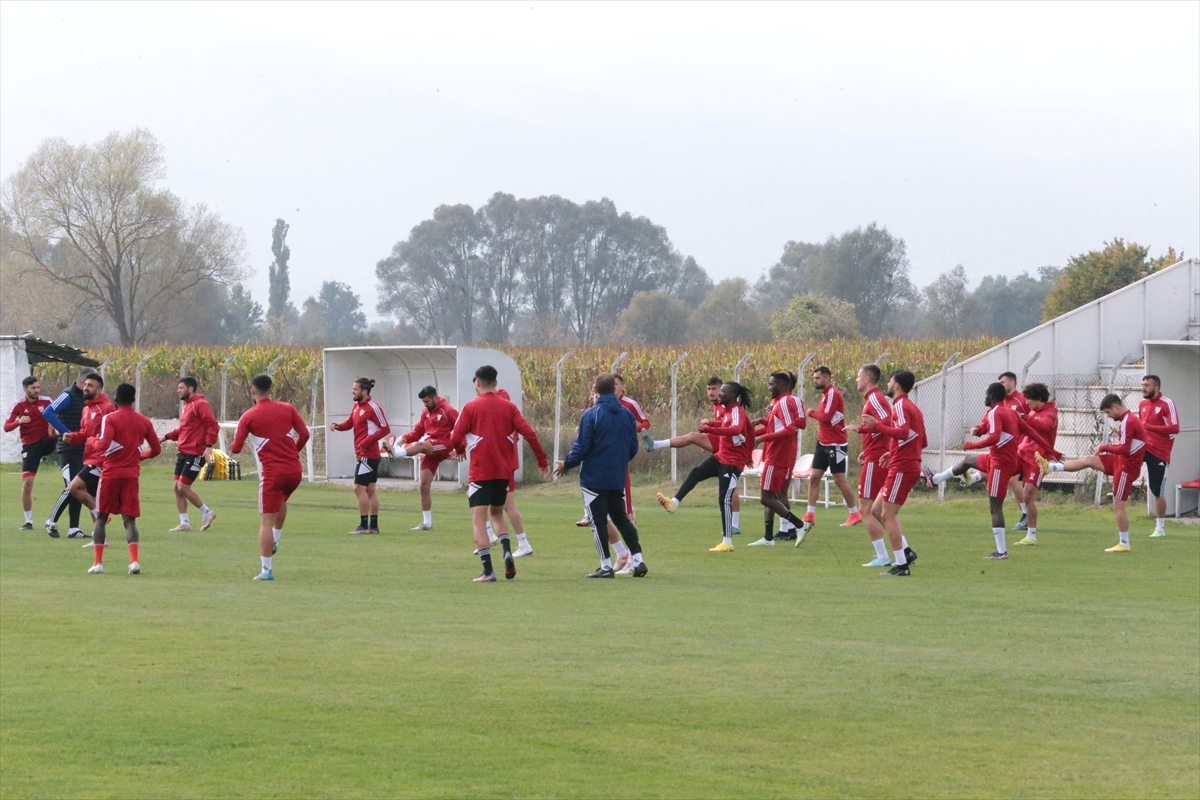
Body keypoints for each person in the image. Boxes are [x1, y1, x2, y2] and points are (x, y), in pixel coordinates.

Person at [924, 384, 1059, 559]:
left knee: (996, 506)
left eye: (987, 394)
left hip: (1001, 463)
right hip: (1004, 459)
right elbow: (1029, 432)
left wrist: (971, 444)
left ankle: (1002, 551)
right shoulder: (1007, 412)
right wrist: (979, 430)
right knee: (968, 461)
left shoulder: (998, 412)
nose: (985, 398)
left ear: (992, 395)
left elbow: (995, 437)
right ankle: (936, 479)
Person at [449, 365, 549, 582]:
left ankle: (488, 571)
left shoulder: (471, 407)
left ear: (477, 382)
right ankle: (506, 550)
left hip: (480, 472)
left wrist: (459, 449)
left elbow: (455, 436)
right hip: (503, 473)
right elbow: (530, 433)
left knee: (478, 520)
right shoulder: (509, 407)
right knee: (497, 513)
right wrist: (542, 461)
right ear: (495, 382)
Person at [555, 373, 648, 578]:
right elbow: (633, 447)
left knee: (597, 521)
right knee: (622, 519)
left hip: (594, 478)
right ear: (614, 389)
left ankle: (606, 566)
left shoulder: (592, 414)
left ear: (595, 390)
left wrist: (567, 464)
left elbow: (582, 447)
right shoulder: (626, 415)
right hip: (617, 476)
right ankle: (639, 560)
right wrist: (619, 462)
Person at [1037, 394, 1147, 553]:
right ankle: (1051, 467)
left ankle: (1124, 543)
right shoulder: (1127, 420)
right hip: (1120, 461)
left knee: (1118, 504)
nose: (1108, 416)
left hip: (1126, 467)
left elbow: (1125, 449)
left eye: (1108, 412)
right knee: (1089, 459)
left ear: (1115, 407)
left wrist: (1104, 447)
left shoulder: (1128, 421)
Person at [231, 374, 310, 581]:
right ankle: (275, 540)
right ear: (271, 390)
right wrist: (294, 451)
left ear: (252, 391)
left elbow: (236, 449)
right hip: (295, 471)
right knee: (281, 500)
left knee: (265, 519)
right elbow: (305, 434)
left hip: (273, 472)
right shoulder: (288, 408)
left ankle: (266, 570)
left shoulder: (249, 416)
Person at [647, 376, 742, 534]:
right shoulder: (720, 407)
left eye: (716, 389)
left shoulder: (731, 408)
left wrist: (707, 433)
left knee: (692, 436)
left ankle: (655, 444)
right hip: (724, 449)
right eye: (708, 389)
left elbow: (737, 429)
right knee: (722, 483)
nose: (712, 393)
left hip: (731, 453)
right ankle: (734, 525)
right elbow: (725, 426)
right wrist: (708, 436)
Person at [86, 383, 160, 575]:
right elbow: (156, 449)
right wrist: (139, 456)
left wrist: (91, 440)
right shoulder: (144, 421)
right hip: (131, 475)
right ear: (134, 400)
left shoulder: (110, 418)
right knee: (130, 520)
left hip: (110, 474)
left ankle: (98, 563)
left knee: (101, 517)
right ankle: (134, 561)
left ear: (116, 399)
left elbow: (103, 445)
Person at [858, 370, 924, 576]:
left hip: (902, 467)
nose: (887, 383)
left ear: (896, 385)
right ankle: (905, 553)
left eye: (890, 380)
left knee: (888, 515)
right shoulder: (912, 407)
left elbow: (903, 432)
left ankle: (901, 565)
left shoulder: (901, 405)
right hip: (901, 463)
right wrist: (891, 451)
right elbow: (920, 439)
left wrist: (877, 426)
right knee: (876, 510)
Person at [747, 371, 807, 547]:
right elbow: (778, 427)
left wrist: (760, 438)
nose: (769, 387)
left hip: (778, 454)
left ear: (782, 385)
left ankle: (798, 525)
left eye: (771, 384)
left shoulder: (786, 402)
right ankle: (769, 537)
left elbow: (791, 428)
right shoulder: (782, 403)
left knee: (767, 497)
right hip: (782, 453)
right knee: (775, 494)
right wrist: (754, 432)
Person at [693, 382, 754, 552]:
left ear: (731, 394)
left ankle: (731, 534)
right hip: (726, 455)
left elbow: (736, 430)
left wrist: (710, 429)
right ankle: (731, 532)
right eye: (711, 390)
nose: (716, 393)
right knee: (727, 492)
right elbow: (743, 431)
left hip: (731, 458)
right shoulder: (724, 408)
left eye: (719, 390)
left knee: (764, 497)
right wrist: (711, 426)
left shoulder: (734, 410)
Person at [329, 377, 391, 534]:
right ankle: (374, 527)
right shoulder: (357, 406)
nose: (352, 391)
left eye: (355, 389)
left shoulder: (373, 407)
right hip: (364, 454)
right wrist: (338, 426)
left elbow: (385, 428)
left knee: (358, 488)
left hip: (368, 455)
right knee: (370, 490)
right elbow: (350, 423)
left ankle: (364, 526)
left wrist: (367, 442)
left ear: (364, 391)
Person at [846, 364, 894, 566]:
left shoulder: (875, 398)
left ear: (866, 379)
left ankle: (883, 557)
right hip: (874, 455)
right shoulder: (872, 399)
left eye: (858, 376)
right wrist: (863, 434)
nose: (856, 380)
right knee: (878, 510)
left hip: (876, 460)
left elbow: (888, 423)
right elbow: (878, 427)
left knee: (866, 509)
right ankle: (904, 550)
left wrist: (881, 450)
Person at [41, 368, 98, 538]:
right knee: (71, 487)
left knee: (79, 487)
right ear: (83, 382)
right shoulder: (68, 394)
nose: (90, 387)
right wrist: (65, 432)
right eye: (89, 383)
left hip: (82, 448)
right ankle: (51, 521)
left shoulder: (87, 398)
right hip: (68, 449)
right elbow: (48, 412)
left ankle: (74, 528)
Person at [803, 366, 861, 531]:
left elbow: (826, 418)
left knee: (839, 480)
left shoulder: (832, 394)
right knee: (814, 477)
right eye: (814, 378)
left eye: (818, 378)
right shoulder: (825, 395)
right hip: (823, 443)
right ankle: (810, 514)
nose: (815, 381)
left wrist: (811, 412)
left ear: (827, 378)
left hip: (836, 444)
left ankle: (854, 513)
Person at [58, 374, 116, 534]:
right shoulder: (86, 409)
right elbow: (85, 433)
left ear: (99, 389)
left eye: (90, 385)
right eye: (85, 384)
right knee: (91, 496)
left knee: (74, 487)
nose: (85, 387)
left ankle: (101, 516)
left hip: (100, 459)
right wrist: (73, 437)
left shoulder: (107, 409)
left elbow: (114, 434)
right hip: (89, 456)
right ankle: (100, 538)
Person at [162, 377, 220, 532]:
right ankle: (185, 523)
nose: (178, 390)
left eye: (181, 387)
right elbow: (184, 429)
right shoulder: (187, 406)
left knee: (183, 486)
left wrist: (208, 447)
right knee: (176, 487)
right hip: (184, 452)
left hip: (196, 453)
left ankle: (207, 513)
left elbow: (213, 425)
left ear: (191, 388)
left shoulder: (200, 405)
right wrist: (165, 437)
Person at [397, 386, 458, 531]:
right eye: (423, 402)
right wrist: (406, 437)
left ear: (435, 398)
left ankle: (397, 454)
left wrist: (458, 447)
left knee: (421, 445)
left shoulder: (448, 410)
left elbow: (462, 428)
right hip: (432, 446)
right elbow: (418, 431)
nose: (425, 405)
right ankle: (427, 523)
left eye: (427, 401)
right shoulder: (425, 412)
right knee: (424, 485)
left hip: (445, 444)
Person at [5, 376, 53, 530]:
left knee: (55, 432)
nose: (36, 391)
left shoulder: (47, 401)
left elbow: (58, 414)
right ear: (25, 389)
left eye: (38, 387)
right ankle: (28, 521)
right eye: (33, 388)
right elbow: (6, 427)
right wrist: (18, 421)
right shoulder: (18, 405)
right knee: (27, 484)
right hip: (30, 446)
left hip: (47, 440)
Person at [1013, 383, 1057, 546]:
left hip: (1038, 460)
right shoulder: (1033, 411)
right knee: (1001, 468)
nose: (1027, 403)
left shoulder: (1050, 413)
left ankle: (1031, 536)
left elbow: (1044, 426)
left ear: (1038, 399)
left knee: (1027, 496)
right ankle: (973, 476)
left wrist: (1026, 418)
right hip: (1022, 453)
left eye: (1029, 399)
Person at [1138, 375, 1179, 538]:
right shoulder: (1142, 404)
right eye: (1142, 384)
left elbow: (1175, 428)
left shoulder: (1167, 404)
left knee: (1157, 490)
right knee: (1122, 463)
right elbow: (1141, 427)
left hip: (1160, 452)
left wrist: (1149, 427)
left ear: (1156, 387)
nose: (1143, 388)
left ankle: (1160, 528)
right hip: (1143, 448)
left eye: (1147, 385)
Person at [998, 371, 1033, 529]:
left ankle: (1026, 515)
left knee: (1013, 480)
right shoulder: (1001, 401)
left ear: (1012, 383)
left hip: (1021, 447)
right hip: (1006, 447)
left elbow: (1032, 420)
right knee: (1009, 479)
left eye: (1003, 382)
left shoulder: (1021, 400)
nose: (1001, 385)